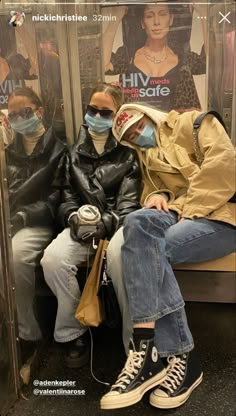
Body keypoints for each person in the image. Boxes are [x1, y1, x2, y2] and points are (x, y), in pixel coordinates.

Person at [100, 103, 236, 410]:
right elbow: (156, 188)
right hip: (179, 213)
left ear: (148, 114)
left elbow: (223, 164)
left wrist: (189, 210)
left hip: (221, 215)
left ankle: (175, 355)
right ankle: (154, 355)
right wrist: (156, 195)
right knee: (137, 222)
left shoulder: (196, 123)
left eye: (138, 125)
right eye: (132, 136)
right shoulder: (147, 155)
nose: (138, 135)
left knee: (151, 249)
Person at [41, 83, 141, 368]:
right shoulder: (71, 154)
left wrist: (105, 223)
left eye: (105, 112)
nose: (96, 116)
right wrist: (73, 219)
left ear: (116, 115)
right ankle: (73, 331)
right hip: (80, 227)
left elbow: (128, 205)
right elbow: (66, 196)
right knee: (53, 259)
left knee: (121, 257)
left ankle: (133, 344)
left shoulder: (128, 155)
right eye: (92, 110)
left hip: (114, 226)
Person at [6, 87, 66, 364]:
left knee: (15, 255)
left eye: (25, 112)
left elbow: (56, 198)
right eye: (13, 114)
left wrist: (22, 218)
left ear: (39, 112)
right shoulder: (9, 151)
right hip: (11, 218)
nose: (19, 119)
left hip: (39, 221)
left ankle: (27, 334)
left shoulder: (59, 149)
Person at [103, 1, 207, 111]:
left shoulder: (184, 58)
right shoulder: (127, 57)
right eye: (149, 16)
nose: (156, 22)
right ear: (142, 23)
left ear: (171, 19)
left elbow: (208, 62)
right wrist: (115, 17)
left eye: (162, 15)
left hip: (176, 127)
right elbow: (103, 66)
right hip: (136, 126)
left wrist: (204, 12)